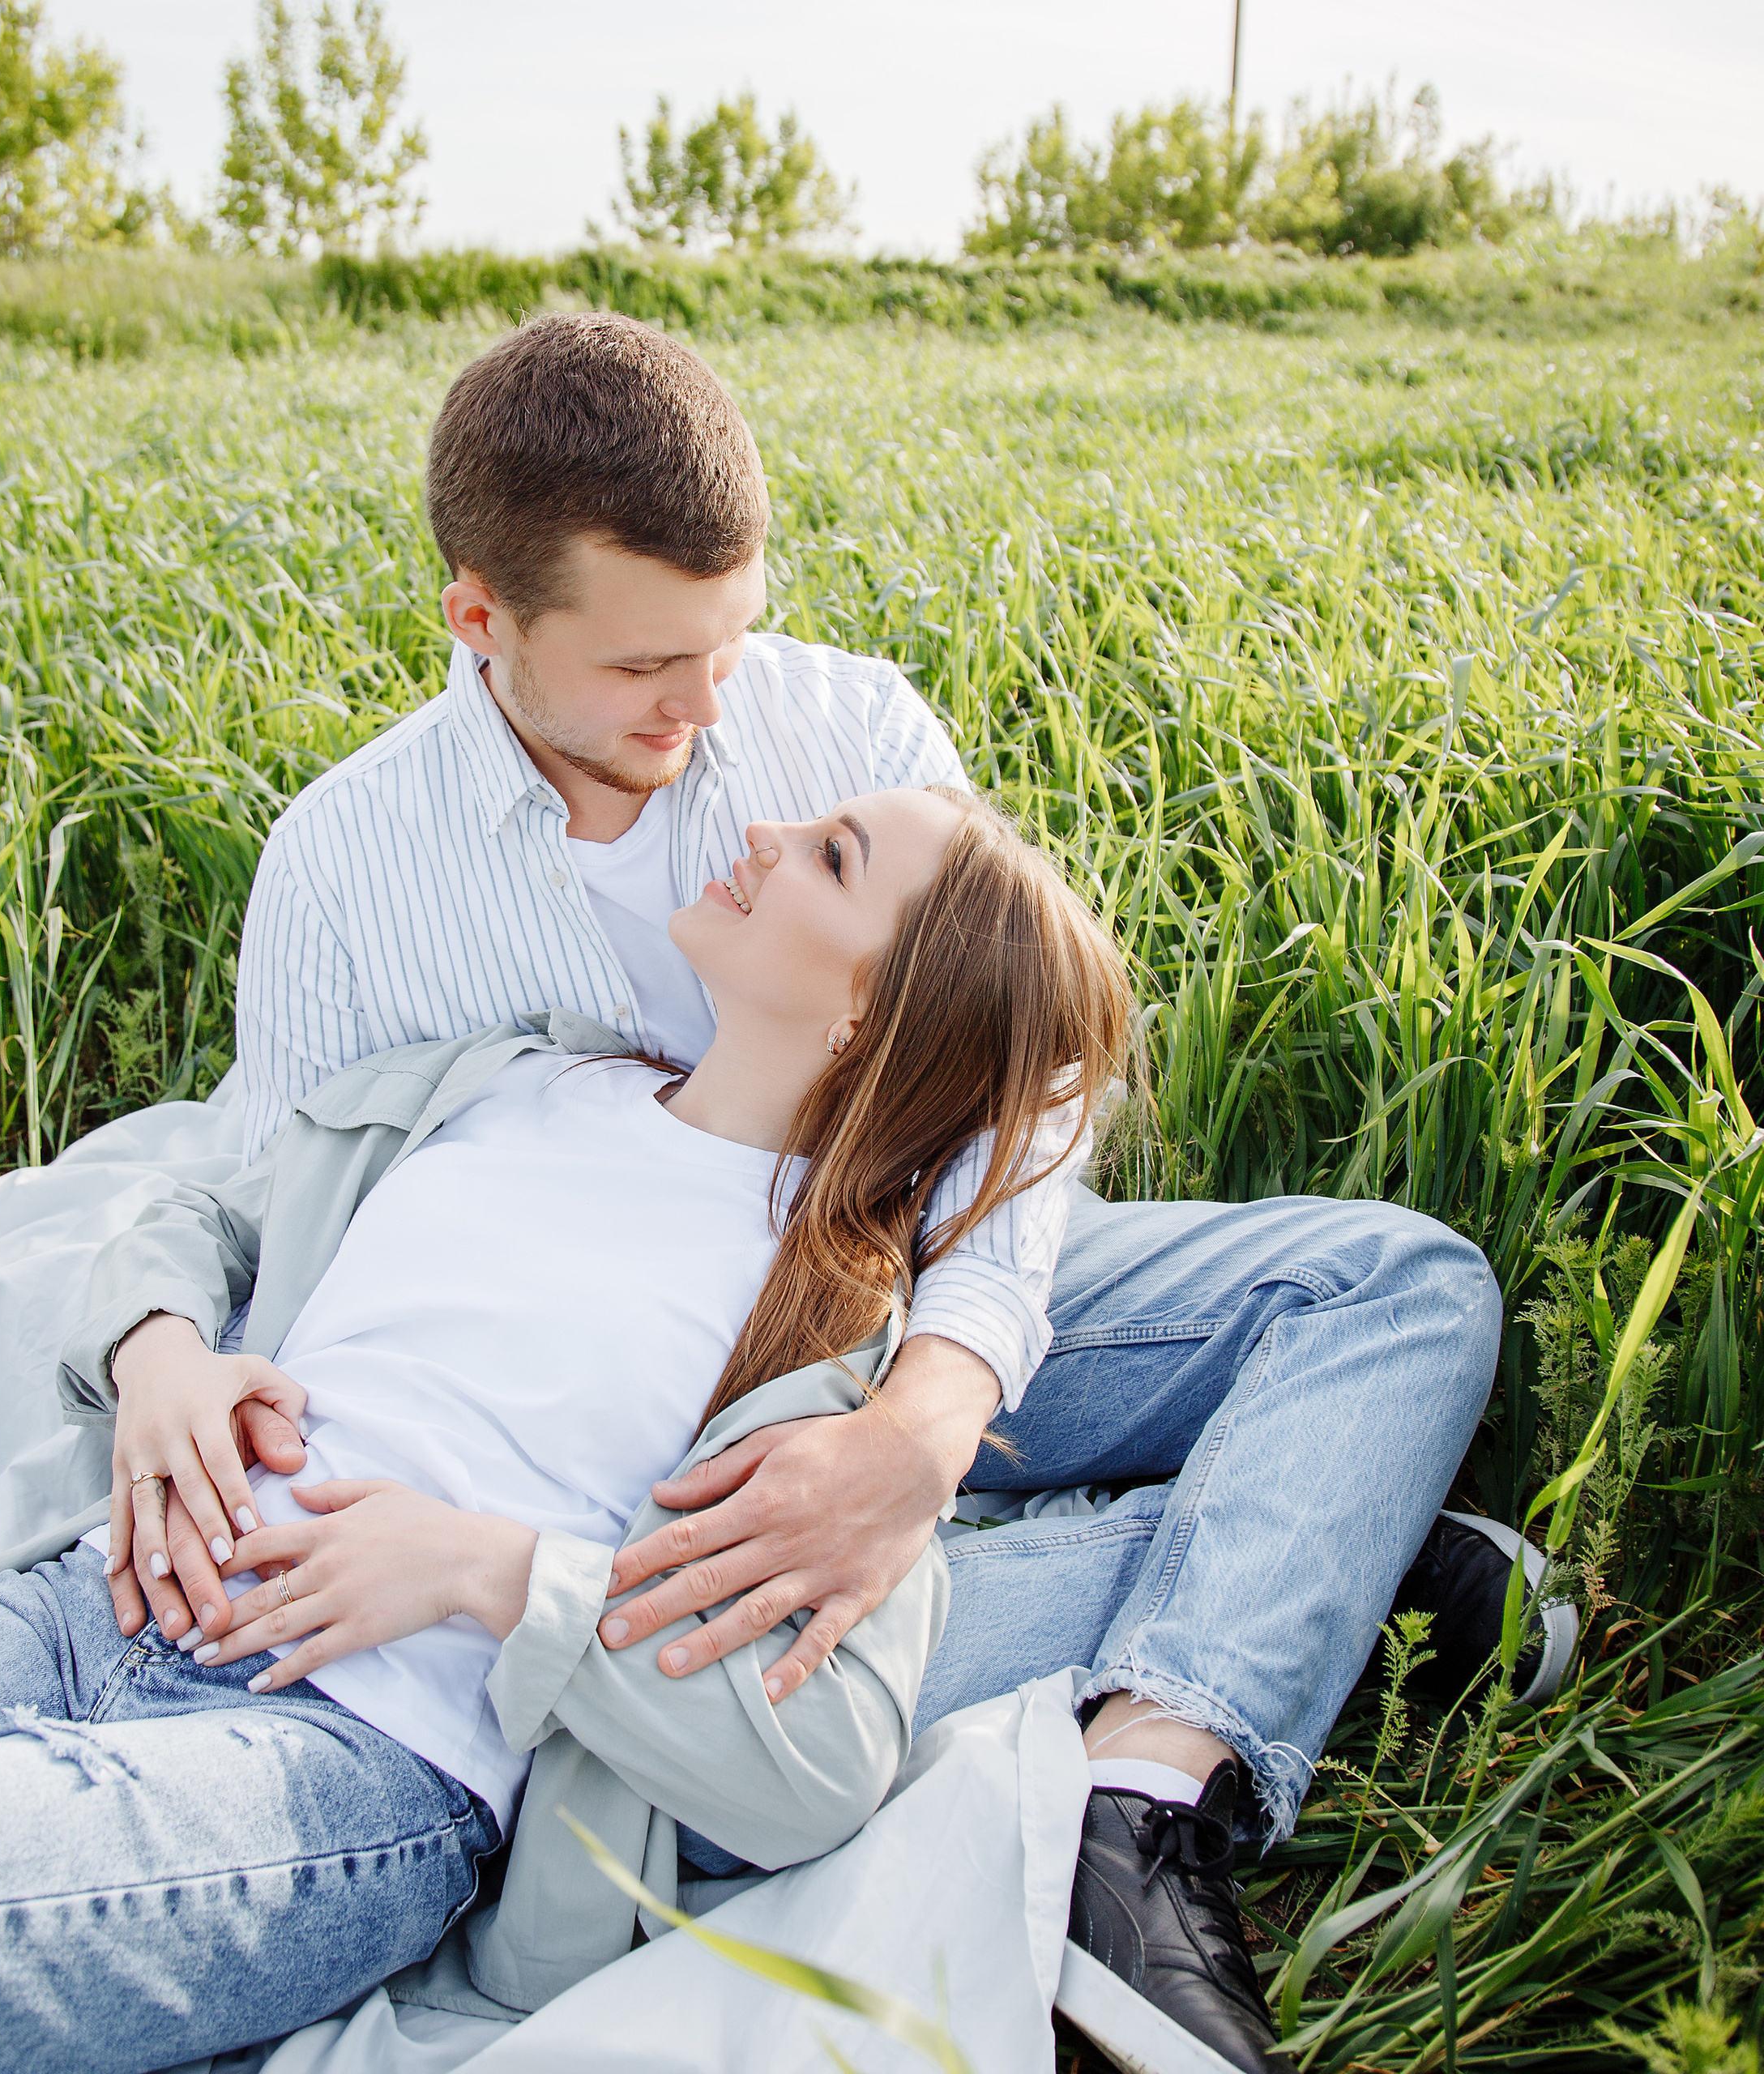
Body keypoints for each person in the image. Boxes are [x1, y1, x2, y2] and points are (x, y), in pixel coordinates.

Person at [113, 312, 1572, 2074]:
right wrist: (161, 1345)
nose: (708, 706)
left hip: (884, 1275)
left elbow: (1015, 1079)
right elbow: (255, 1177)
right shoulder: (348, 859)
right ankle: (1323, 1565)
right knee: (741, 1661)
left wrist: (929, 1415)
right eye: (650, 663)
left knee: (1393, 1285)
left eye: (728, 638)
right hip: (617, 1418)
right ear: (480, 618)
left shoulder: (840, 718)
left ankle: (1138, 1800)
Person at [0, 787, 1131, 2068]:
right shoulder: (513, 1081)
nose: (760, 832)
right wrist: (165, 1354)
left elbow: (817, 1762)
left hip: (348, 1761)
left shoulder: (834, 1337)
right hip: (89, 1613)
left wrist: (485, 1573)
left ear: (872, 1009)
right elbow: (202, 1212)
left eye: (830, 855)